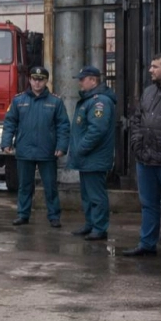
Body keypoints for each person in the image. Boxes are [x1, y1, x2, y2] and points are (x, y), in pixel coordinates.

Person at [123, 54, 161, 257]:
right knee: (148, 204)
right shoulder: (149, 92)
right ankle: (147, 243)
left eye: (155, 66)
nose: (150, 70)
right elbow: (136, 119)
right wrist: (137, 144)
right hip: (145, 159)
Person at [0, 65, 69, 228]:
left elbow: (63, 126)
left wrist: (62, 146)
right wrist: (6, 142)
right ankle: (23, 214)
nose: (37, 83)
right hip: (25, 150)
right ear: (30, 80)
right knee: (24, 186)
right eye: (34, 79)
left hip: (47, 151)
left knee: (50, 187)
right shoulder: (18, 100)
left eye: (41, 80)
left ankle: (54, 216)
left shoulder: (55, 102)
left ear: (46, 81)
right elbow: (10, 122)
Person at [67, 66, 117, 241]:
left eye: (82, 79)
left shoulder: (99, 102)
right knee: (87, 194)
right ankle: (91, 224)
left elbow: (97, 130)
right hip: (88, 158)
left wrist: (81, 148)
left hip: (94, 157)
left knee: (96, 195)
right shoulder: (90, 100)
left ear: (93, 80)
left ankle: (99, 227)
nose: (80, 83)